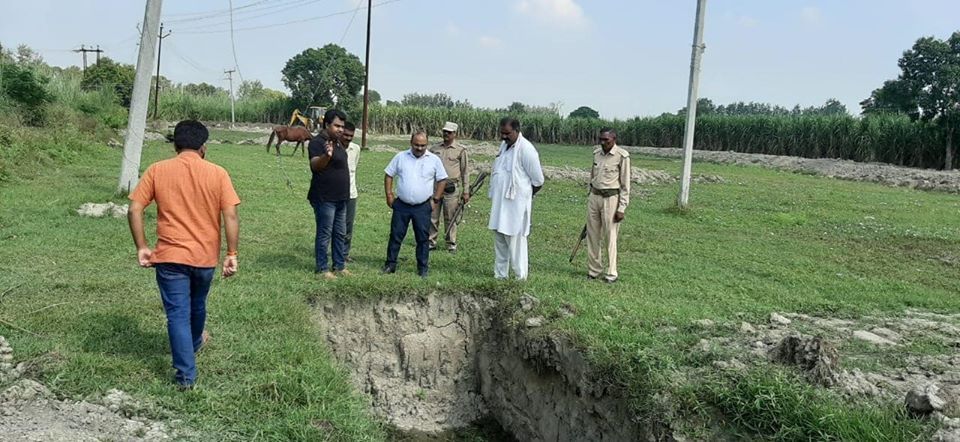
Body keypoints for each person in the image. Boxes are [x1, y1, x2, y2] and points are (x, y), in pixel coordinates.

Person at [127, 120, 240, 390]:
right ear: (204, 147)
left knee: (177, 313)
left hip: (170, 257)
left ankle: (186, 376)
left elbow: (134, 210)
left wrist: (142, 246)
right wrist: (232, 253)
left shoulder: (157, 170)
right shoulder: (218, 173)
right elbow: (231, 215)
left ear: (175, 145)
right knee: (198, 304)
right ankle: (194, 344)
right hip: (204, 258)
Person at [383, 131, 448, 278]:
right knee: (396, 235)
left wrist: (436, 199)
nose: (419, 148)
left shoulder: (434, 160)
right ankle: (390, 264)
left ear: (427, 144)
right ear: (410, 143)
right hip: (402, 205)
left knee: (422, 238)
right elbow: (388, 175)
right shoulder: (400, 157)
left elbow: (442, 179)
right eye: (416, 145)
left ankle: (422, 268)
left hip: (423, 206)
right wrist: (389, 195)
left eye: (423, 145)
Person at [487, 117, 544, 280]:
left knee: (515, 242)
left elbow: (538, 181)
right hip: (500, 205)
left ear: (517, 131)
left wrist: (524, 196)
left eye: (507, 133)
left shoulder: (526, 149)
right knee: (500, 239)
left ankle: (520, 278)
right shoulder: (503, 147)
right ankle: (500, 276)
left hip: (515, 207)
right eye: (502, 133)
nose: (504, 137)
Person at [307, 109, 350, 280]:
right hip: (325, 198)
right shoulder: (317, 143)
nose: (340, 129)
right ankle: (322, 268)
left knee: (340, 233)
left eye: (342, 126)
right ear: (327, 125)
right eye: (337, 126)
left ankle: (339, 266)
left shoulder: (337, 142)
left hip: (341, 198)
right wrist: (327, 155)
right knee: (325, 233)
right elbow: (315, 165)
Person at [586, 128, 631, 283]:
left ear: (614, 139)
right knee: (592, 235)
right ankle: (594, 270)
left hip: (611, 198)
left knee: (610, 236)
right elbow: (592, 176)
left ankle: (611, 272)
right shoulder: (596, 154)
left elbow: (625, 185)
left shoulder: (622, 156)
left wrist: (621, 208)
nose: (603, 143)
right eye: (601, 139)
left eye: (607, 140)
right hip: (594, 196)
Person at [428, 121, 470, 253]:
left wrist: (466, 191)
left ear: (454, 134)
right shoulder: (434, 149)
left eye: (449, 132)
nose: (446, 134)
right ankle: (431, 241)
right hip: (436, 186)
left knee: (450, 216)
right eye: (445, 131)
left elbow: (465, 172)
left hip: (452, 187)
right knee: (433, 216)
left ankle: (450, 243)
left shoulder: (460, 150)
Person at [341, 121, 361, 262]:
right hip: (334, 194)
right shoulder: (333, 147)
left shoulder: (356, 149)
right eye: (345, 135)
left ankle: (344, 253)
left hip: (351, 194)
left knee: (348, 226)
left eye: (351, 136)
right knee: (333, 225)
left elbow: (354, 169)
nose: (348, 138)